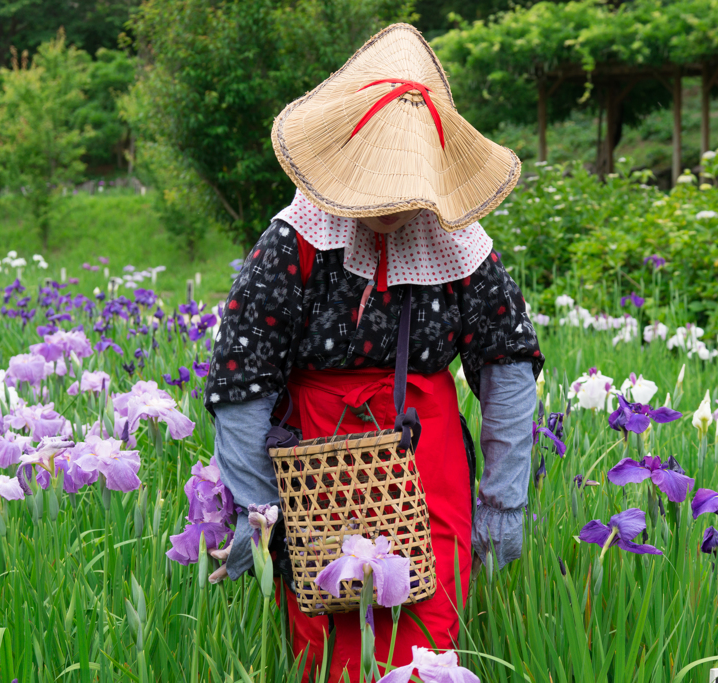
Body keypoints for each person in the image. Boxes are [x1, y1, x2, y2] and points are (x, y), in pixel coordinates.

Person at [202, 23, 542, 682]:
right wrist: (258, 512)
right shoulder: (293, 242)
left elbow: (508, 365)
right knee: (326, 640)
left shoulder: (463, 249)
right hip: (315, 468)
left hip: (427, 462)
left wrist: (503, 504)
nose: (391, 203)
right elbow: (244, 379)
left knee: (426, 643)